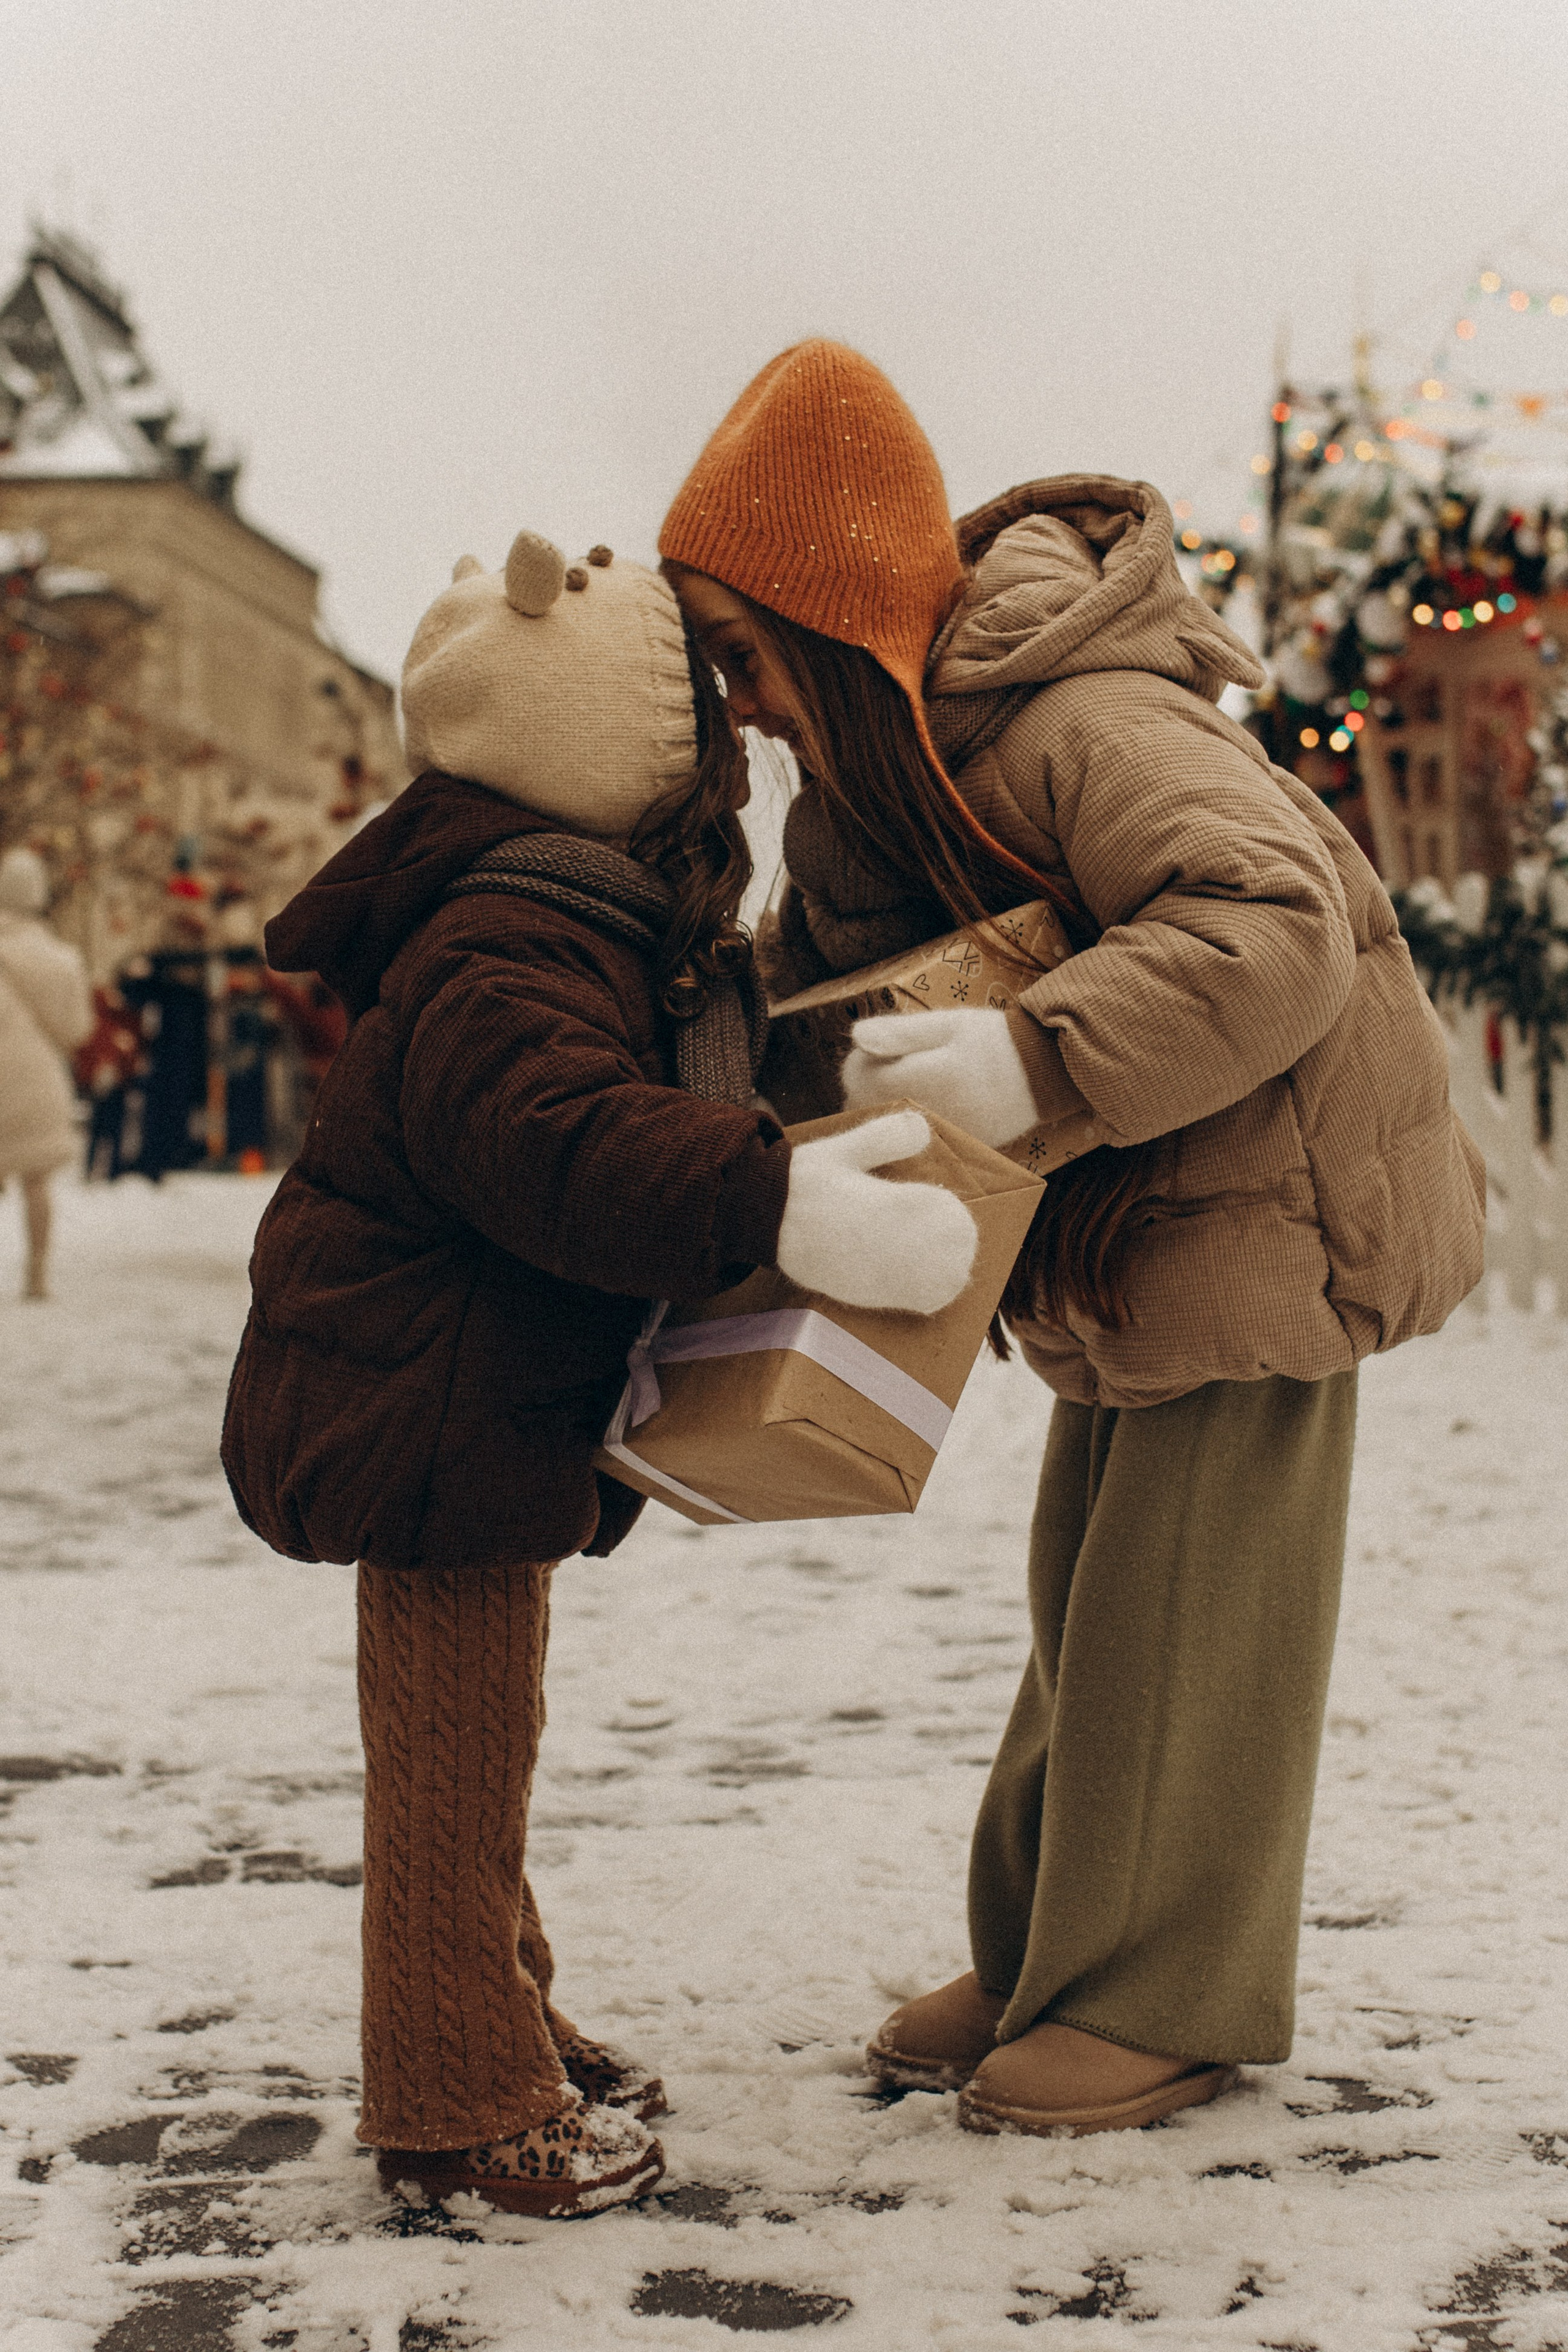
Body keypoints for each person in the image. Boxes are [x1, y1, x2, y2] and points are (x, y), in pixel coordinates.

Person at [658, 341, 1485, 2139]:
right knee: (1092, 1598)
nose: (745, 704)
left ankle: (1156, 1991)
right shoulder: (915, 769)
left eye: (746, 654)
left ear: (830, 607)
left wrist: (1034, 1058)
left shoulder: (1080, 722)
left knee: (1197, 1612)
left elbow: (1271, 921)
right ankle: (1050, 1951)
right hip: (1144, 1217)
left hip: (1275, 1209)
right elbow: (841, 978)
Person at [221, 530, 978, 2216]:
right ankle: (457, 2105)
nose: (723, 745)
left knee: (475, 1743)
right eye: (692, 720)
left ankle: (502, 2018)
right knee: (447, 1767)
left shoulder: (549, 914)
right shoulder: (511, 940)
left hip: (453, 1399)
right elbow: (562, 1144)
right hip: (424, 1402)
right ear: (614, 756)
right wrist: (772, 1199)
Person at [0, 846, 92, 1299]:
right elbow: (78, 1031)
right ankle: (36, 1275)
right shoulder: (61, 959)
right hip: (37, 1079)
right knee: (35, 1182)